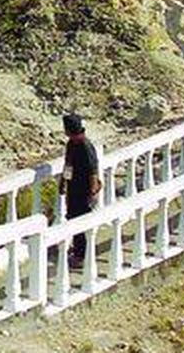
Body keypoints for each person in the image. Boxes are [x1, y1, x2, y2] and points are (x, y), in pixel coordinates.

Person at [58, 114, 100, 268]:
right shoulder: (71, 144)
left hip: (85, 190)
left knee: (82, 221)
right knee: (73, 218)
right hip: (74, 188)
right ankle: (78, 251)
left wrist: (93, 192)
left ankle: (81, 255)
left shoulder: (85, 146)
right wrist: (64, 181)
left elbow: (93, 171)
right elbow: (68, 165)